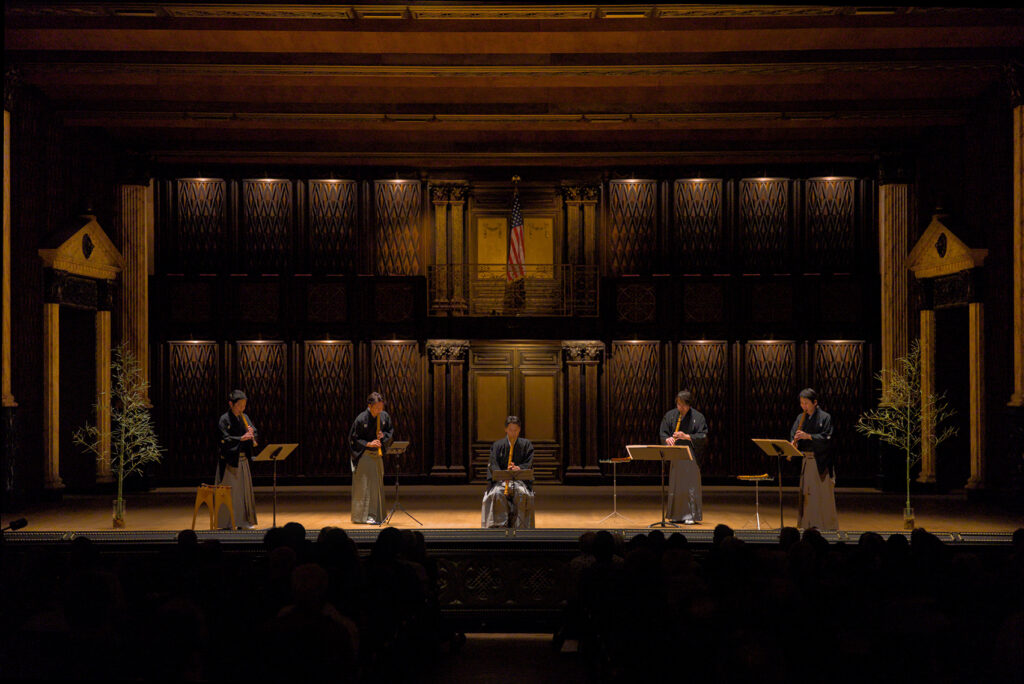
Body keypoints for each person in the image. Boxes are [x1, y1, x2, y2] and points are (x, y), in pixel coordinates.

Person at [790, 387, 838, 530]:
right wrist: (794, 442)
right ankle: (807, 524)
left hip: (820, 460)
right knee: (807, 494)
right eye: (801, 403)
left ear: (815, 402)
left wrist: (809, 436)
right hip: (806, 460)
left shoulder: (825, 417)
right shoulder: (800, 418)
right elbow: (793, 433)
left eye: (806, 403)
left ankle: (825, 525)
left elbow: (828, 438)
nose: (803, 406)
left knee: (821, 495)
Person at [658, 390, 708, 524]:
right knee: (676, 484)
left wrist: (686, 436)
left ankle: (690, 515)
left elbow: (703, 436)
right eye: (678, 404)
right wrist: (667, 439)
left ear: (689, 405)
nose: (680, 408)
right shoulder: (671, 415)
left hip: (690, 455)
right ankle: (676, 514)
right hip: (676, 454)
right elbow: (663, 431)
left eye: (683, 405)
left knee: (690, 484)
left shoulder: (698, 417)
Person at [481, 416, 535, 529]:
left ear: (519, 430)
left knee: (522, 494)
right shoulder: (497, 445)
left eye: (515, 430)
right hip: (500, 482)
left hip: (519, 481)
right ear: (505, 429)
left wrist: (518, 468)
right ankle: (500, 526)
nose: (513, 433)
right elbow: (493, 464)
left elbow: (528, 464)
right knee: (497, 494)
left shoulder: (527, 445)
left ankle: (520, 528)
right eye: (510, 430)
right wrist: (503, 475)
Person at [348, 392, 393, 525]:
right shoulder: (361, 419)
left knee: (376, 486)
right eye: (377, 408)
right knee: (364, 486)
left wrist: (382, 436)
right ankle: (362, 516)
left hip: (377, 455)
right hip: (364, 455)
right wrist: (368, 444)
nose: (380, 410)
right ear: (369, 406)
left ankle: (376, 515)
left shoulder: (384, 417)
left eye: (381, 407)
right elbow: (353, 438)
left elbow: (390, 431)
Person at [216, 390, 258, 529]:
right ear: (231, 404)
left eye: (244, 405)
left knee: (243, 493)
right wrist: (240, 438)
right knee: (231, 494)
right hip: (230, 462)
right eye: (239, 405)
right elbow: (224, 439)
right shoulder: (224, 419)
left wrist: (252, 434)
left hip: (243, 460)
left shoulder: (244, 417)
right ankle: (227, 523)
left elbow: (254, 430)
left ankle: (244, 522)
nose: (242, 408)